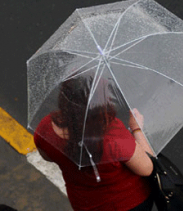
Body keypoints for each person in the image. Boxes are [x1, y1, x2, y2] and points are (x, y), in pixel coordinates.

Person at [34, 75, 155, 211]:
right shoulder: (112, 136)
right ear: (100, 102)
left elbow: (47, 156)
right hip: (128, 203)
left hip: (85, 204)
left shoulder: (45, 128)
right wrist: (137, 128)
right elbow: (147, 168)